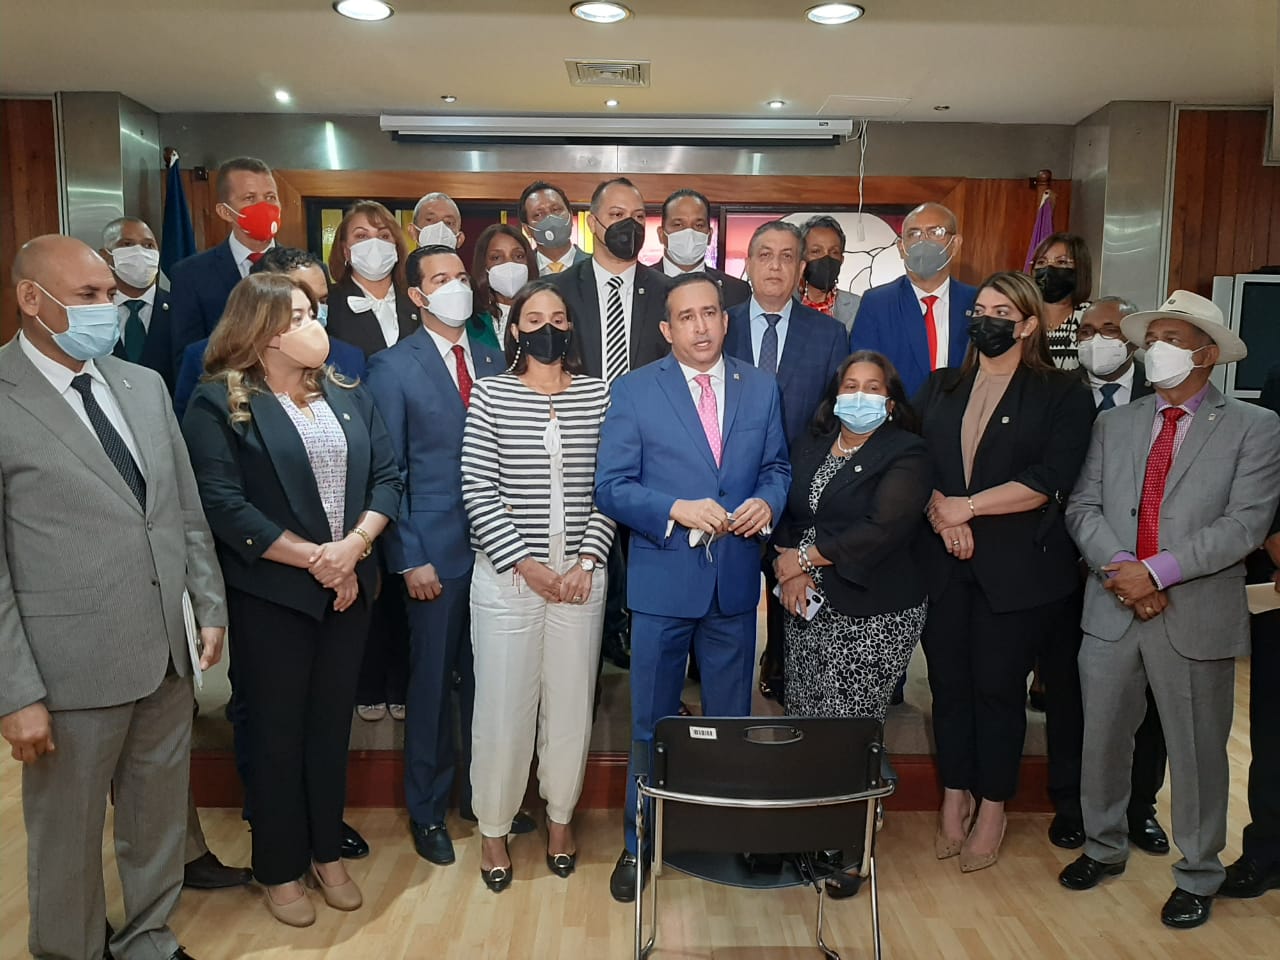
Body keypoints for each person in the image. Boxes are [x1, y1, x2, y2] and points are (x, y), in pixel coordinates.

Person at [2, 234, 226, 960]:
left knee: (156, 815)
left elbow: (182, 508)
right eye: (89, 296)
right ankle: (69, 949)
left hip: (164, 653)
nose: (108, 307)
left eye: (109, 294)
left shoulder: (142, 385)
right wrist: (14, 692)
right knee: (66, 833)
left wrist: (208, 604)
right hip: (66, 668)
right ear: (31, 299)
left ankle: (148, 936)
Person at [182, 272, 401, 927]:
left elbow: (388, 478)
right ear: (265, 331)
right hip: (273, 596)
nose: (315, 325)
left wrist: (353, 548)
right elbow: (223, 504)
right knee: (277, 736)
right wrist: (318, 560)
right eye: (300, 315)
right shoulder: (218, 402)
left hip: (349, 590)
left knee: (329, 731)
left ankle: (325, 852)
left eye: (313, 312)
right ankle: (279, 866)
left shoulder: (345, 391)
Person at [1060, 291, 1280, 929]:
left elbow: (1244, 524)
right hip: (1111, 607)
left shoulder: (1254, 427)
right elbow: (1083, 507)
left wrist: (1156, 572)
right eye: (1151, 338)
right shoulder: (1115, 424)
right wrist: (1123, 570)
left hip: (1195, 613)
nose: (1154, 349)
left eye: (1172, 339)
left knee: (1197, 752)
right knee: (1102, 740)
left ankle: (1199, 872)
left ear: (1206, 354)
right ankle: (1103, 846)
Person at [595, 272, 791, 903]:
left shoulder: (760, 387)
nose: (702, 326)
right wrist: (674, 508)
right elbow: (611, 487)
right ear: (666, 329)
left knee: (731, 723)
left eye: (711, 313)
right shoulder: (634, 391)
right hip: (662, 584)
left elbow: (777, 467)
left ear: (726, 321)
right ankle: (639, 841)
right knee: (651, 723)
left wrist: (767, 501)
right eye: (687, 316)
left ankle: (722, 834)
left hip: (733, 584)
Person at [917, 270, 1094, 874]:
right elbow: (914, 462)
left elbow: (1049, 479)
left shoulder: (1061, 392)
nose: (984, 321)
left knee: (997, 690)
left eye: (1000, 313)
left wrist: (968, 507)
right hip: (943, 563)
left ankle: (993, 805)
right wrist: (943, 515)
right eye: (979, 310)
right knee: (948, 687)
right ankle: (955, 793)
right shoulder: (941, 386)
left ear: (1027, 325)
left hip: (1018, 572)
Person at [364, 245, 527, 868]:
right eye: (440, 279)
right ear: (416, 295)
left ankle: (482, 799)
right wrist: (408, 557)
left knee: (489, 684)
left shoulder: (491, 356)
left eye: (461, 276)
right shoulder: (392, 367)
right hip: (432, 552)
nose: (455, 285)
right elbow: (389, 470)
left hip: (497, 547)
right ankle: (427, 809)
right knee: (432, 686)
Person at [462, 281, 615, 891]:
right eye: (533, 319)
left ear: (570, 328)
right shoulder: (491, 393)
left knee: (571, 706)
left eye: (557, 317)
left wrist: (586, 559)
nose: (546, 327)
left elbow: (610, 483)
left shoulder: (598, 394)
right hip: (508, 579)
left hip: (581, 578)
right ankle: (494, 828)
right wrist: (527, 565)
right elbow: (477, 487)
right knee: (503, 709)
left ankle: (559, 820)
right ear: (516, 330)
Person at [1036, 297, 1170, 854]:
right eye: (1087, 331)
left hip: (1148, 576)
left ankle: (1140, 808)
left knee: (1150, 698)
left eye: (1110, 330)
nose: (1097, 340)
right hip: (1063, 569)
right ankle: (1072, 803)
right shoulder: (1056, 393)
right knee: (1067, 692)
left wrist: (1139, 571)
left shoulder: (1161, 395)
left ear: (1132, 341)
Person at [550, 177, 672, 670]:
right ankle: (590, 664)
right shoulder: (558, 291)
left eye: (639, 217)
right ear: (594, 222)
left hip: (651, 453)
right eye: (618, 215)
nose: (630, 225)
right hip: (575, 446)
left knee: (642, 564)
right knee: (585, 560)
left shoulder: (666, 292)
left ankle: (640, 655)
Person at [724, 220, 848, 701]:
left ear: (800, 269)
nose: (775, 266)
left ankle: (780, 665)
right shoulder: (722, 324)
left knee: (791, 588)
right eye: (765, 255)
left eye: (787, 257)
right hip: (729, 491)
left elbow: (832, 418)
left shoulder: (829, 334)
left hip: (798, 490)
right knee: (730, 596)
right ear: (748, 264)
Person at [773, 350, 929, 721]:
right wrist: (793, 570)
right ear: (836, 396)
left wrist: (804, 558)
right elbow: (786, 508)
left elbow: (881, 528)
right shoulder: (810, 444)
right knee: (802, 714)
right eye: (851, 386)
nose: (860, 396)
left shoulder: (908, 452)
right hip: (805, 602)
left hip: (872, 609)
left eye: (872, 388)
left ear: (890, 403)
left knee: (847, 728)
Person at [174, 247, 366, 421]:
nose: (317, 310)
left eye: (322, 300)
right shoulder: (207, 357)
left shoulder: (349, 358)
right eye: (300, 301)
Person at [849, 202, 976, 397]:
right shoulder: (877, 303)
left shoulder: (976, 302)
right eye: (914, 234)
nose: (923, 241)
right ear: (901, 247)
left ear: (955, 244)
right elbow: (864, 374)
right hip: (898, 412)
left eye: (935, 232)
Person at [170, 156, 280, 363]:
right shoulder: (190, 275)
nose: (264, 206)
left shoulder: (306, 268)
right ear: (225, 212)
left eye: (270, 197)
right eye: (250, 198)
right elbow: (188, 357)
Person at [324, 200, 419, 360]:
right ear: (346, 251)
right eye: (362, 236)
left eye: (384, 236)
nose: (374, 243)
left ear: (396, 247)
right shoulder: (329, 303)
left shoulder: (417, 299)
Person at [101, 215, 175, 392]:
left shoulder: (182, 308)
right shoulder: (93, 313)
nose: (140, 252)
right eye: (127, 244)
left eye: (148, 245)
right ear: (105, 256)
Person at [657, 188, 750, 308]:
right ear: (661, 234)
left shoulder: (737, 291)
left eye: (699, 225)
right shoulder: (638, 284)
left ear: (709, 235)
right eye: (678, 224)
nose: (689, 232)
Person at [1030, 232, 1093, 370]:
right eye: (1041, 262)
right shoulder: (1023, 315)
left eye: (1061, 262)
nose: (1048, 268)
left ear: (1080, 269)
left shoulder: (1092, 317)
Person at [469, 222, 538, 349]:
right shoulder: (471, 320)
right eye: (496, 257)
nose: (509, 264)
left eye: (518, 256)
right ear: (484, 265)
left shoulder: (545, 312)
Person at [797, 215, 862, 332]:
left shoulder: (859, 307)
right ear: (801, 257)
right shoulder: (784, 304)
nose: (826, 258)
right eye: (816, 251)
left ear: (841, 260)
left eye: (834, 252)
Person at [517, 180, 589, 275]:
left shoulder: (596, 266)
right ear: (527, 229)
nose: (550, 218)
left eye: (556, 210)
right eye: (538, 214)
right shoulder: (521, 273)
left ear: (571, 216)